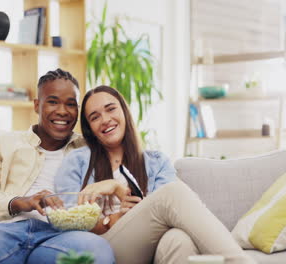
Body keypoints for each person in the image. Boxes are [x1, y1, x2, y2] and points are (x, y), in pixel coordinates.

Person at [55, 85, 256, 264]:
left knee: (179, 240)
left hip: (154, 245)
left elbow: (165, 214)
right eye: (95, 117)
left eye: (110, 109)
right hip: (105, 247)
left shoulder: (156, 162)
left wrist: (133, 206)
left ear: (124, 112)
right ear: (90, 129)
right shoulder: (77, 161)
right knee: (172, 192)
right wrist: (112, 217)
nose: (105, 119)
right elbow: (69, 224)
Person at [0, 69, 114, 264]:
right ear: (37, 105)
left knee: (96, 254)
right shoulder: (0, 142)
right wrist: (21, 202)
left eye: (71, 104)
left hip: (62, 236)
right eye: (53, 101)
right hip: (3, 230)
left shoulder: (90, 149)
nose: (62, 111)